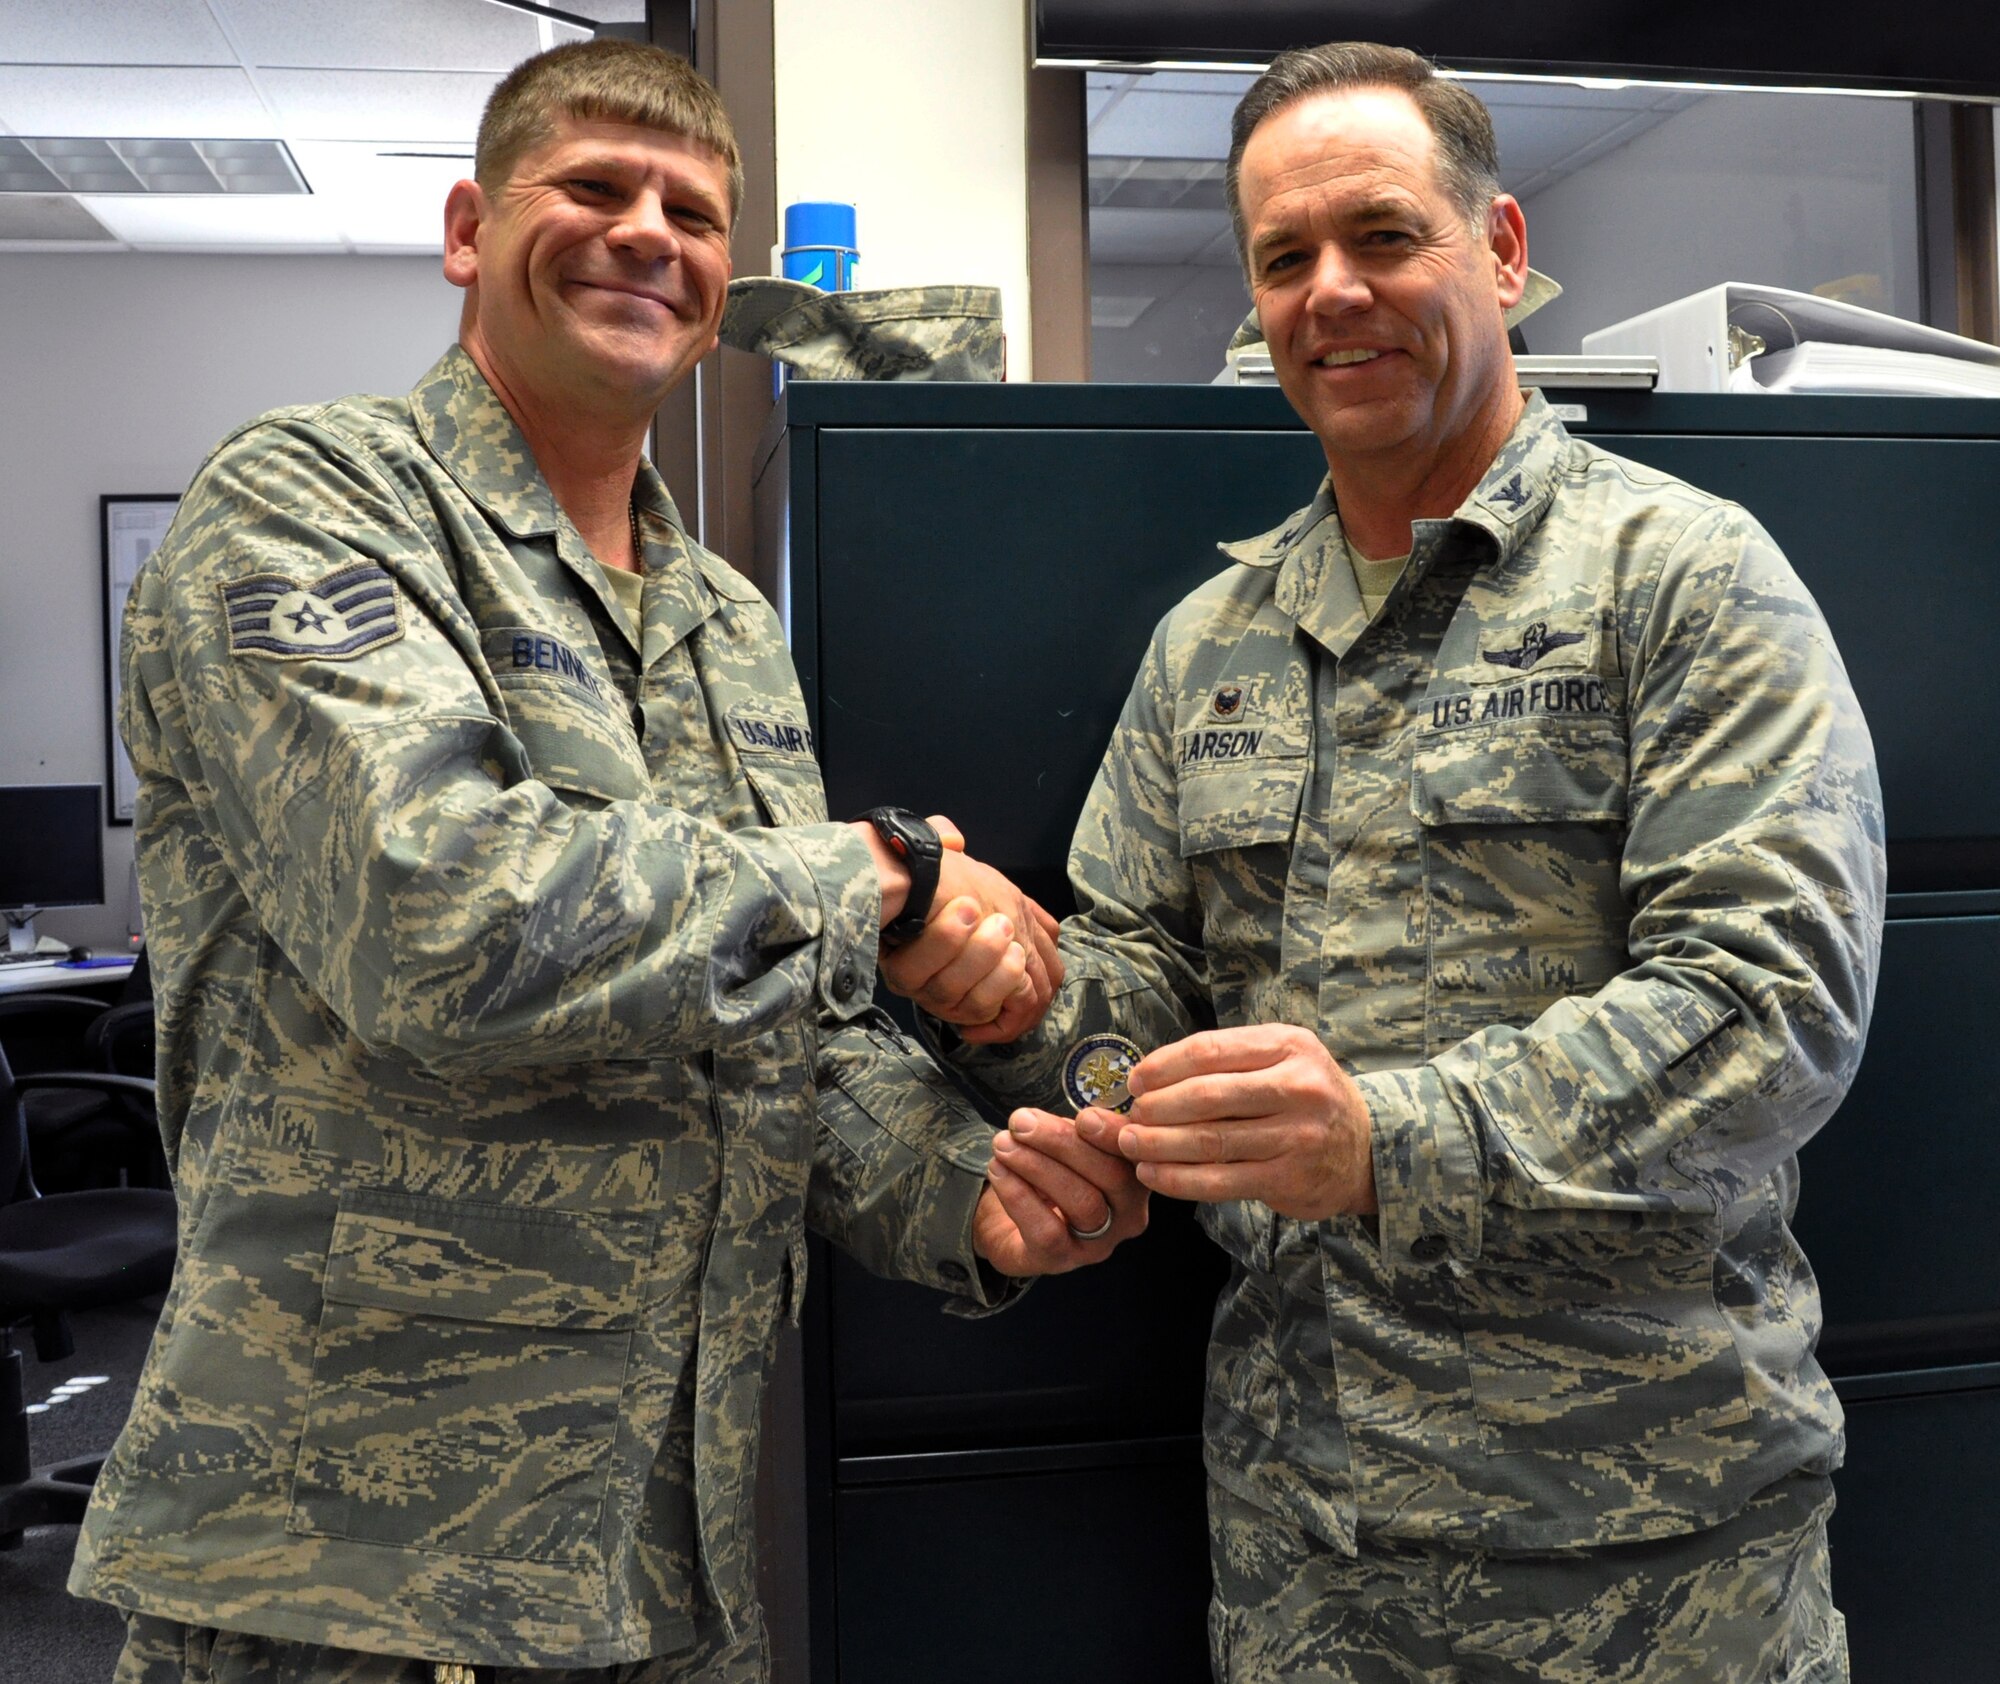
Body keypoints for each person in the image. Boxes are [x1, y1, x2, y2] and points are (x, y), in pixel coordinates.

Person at [71, 38, 1144, 1684]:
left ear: (721, 297)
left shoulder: (723, 622)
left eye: (694, 214)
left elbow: (769, 1032)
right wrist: (887, 881)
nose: (648, 231)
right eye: (590, 188)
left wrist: (967, 1196)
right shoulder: (312, 503)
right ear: (465, 232)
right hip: (345, 1564)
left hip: (662, 1552)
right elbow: (438, 913)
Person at [894, 40, 1881, 1684]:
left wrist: (1388, 1140)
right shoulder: (1210, 643)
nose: (1332, 290)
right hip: (1308, 1558)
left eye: (1383, 236)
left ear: (1497, 252)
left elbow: (1771, 1007)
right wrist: (1010, 996)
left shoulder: (1687, 581)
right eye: (1286, 258)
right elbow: (1140, 985)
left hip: (1645, 1557)